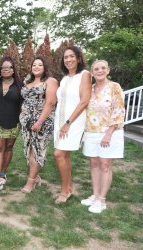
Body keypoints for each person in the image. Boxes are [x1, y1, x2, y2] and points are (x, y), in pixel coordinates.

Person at [81, 60, 125, 213]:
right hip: (92, 131)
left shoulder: (114, 87)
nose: (100, 71)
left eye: (103, 68)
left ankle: (102, 200)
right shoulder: (90, 89)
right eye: (96, 69)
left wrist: (108, 133)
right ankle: (95, 194)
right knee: (94, 164)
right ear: (92, 73)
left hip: (109, 132)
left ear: (108, 70)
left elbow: (118, 111)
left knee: (105, 165)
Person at [53, 46, 92, 204]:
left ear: (78, 58)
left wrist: (68, 122)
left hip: (73, 121)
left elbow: (84, 101)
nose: (68, 60)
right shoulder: (64, 79)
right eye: (65, 57)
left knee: (58, 154)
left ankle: (64, 190)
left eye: (71, 56)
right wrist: (61, 122)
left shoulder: (85, 75)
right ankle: (68, 187)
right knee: (65, 155)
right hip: (60, 120)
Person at [20, 56, 58, 193]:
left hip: (42, 121)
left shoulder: (50, 81)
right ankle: (35, 177)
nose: (36, 67)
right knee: (29, 150)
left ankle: (30, 183)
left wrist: (40, 122)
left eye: (39, 65)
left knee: (37, 151)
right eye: (34, 65)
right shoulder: (27, 80)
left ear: (44, 67)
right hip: (26, 121)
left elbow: (50, 103)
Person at [0, 56, 23, 193]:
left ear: (13, 70)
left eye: (8, 67)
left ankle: (3, 173)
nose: (5, 70)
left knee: (8, 147)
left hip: (13, 122)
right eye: (3, 68)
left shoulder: (20, 86)